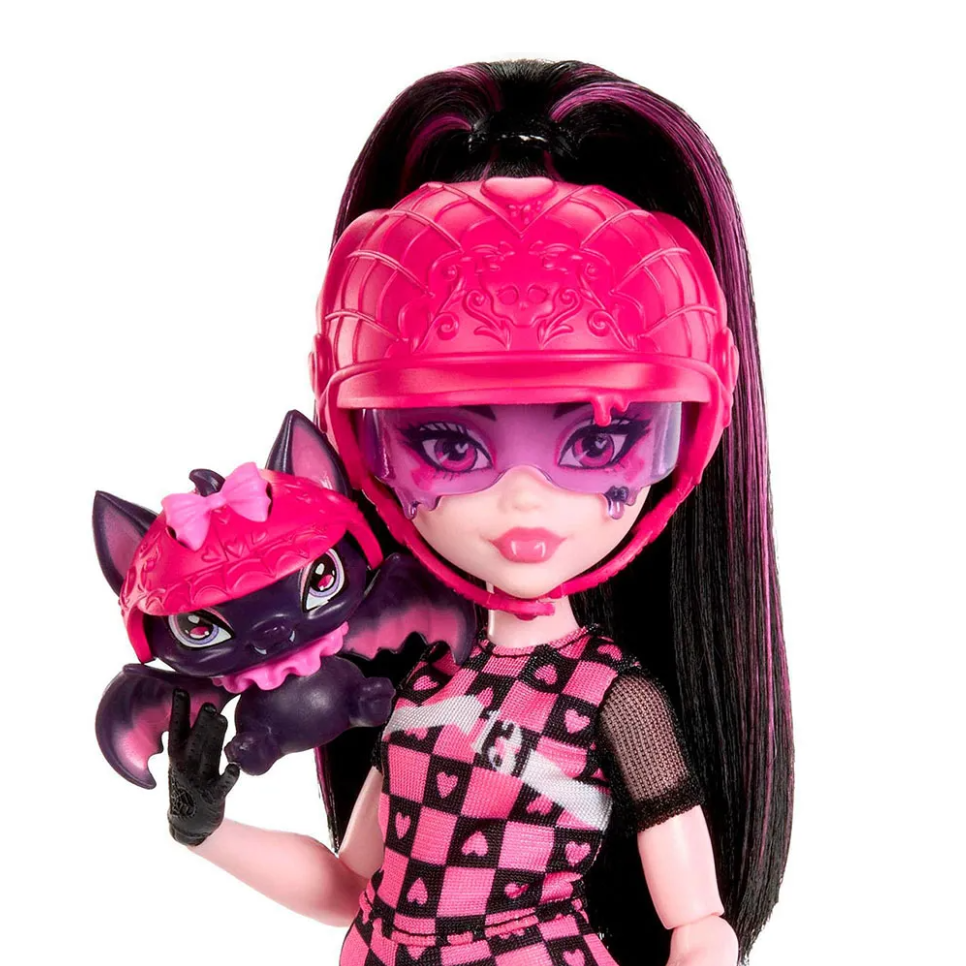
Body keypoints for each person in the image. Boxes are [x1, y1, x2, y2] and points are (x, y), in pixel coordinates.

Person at [172, 60, 792, 966]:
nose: (525, 496)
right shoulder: (422, 683)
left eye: (596, 441)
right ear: (370, 451)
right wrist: (208, 829)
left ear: (681, 445)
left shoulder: (613, 700)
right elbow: (350, 887)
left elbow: (697, 922)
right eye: (451, 445)